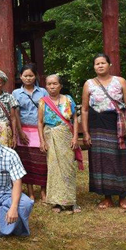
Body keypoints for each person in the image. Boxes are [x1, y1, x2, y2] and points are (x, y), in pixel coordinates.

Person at [82, 53, 126, 210]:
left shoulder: (120, 81)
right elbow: (85, 110)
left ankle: (122, 196)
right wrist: (86, 132)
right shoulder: (89, 84)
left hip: (117, 124)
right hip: (97, 125)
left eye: (103, 63)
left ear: (109, 65)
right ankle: (107, 197)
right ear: (94, 67)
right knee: (101, 160)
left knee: (119, 159)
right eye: (97, 64)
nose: (100, 66)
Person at [38, 75, 81, 213]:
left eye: (55, 84)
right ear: (46, 86)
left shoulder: (68, 99)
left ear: (60, 85)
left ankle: (71, 201)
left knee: (68, 168)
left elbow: (74, 118)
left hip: (66, 135)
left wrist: (75, 138)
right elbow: (39, 122)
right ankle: (57, 202)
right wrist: (42, 141)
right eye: (49, 84)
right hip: (50, 136)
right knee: (54, 169)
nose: (52, 86)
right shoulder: (43, 102)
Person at [13, 64, 49, 201]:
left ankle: (43, 191)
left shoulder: (43, 92)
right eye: (25, 75)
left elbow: (47, 111)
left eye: (31, 75)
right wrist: (20, 132)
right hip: (24, 132)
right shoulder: (16, 93)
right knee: (26, 162)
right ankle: (30, 192)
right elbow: (15, 113)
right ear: (20, 77)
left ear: (36, 76)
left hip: (40, 130)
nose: (28, 78)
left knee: (41, 162)